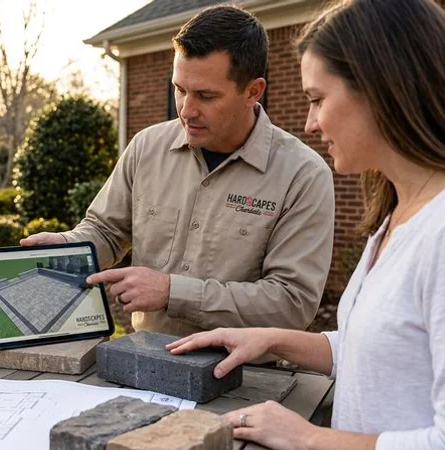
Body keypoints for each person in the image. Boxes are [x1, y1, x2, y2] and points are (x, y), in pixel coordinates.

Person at [166, 0, 445, 448]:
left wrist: (308, 438)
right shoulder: (397, 213)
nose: (310, 124)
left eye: (317, 99)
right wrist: (270, 339)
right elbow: (382, 352)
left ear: (383, 90)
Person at [22, 5, 335, 338]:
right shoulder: (147, 147)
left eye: (206, 95)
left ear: (253, 91)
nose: (186, 110)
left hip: (249, 376)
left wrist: (173, 292)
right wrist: (67, 247)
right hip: (146, 358)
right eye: (180, 89)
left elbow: (292, 304)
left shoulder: (302, 175)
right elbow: (105, 230)